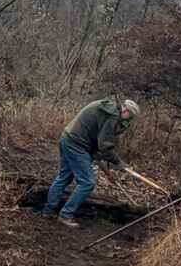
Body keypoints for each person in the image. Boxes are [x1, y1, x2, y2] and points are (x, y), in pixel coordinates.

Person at [42, 96, 138, 228]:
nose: (127, 122)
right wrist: (118, 162)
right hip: (76, 144)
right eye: (129, 118)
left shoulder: (108, 108)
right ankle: (65, 215)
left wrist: (98, 155)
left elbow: (96, 135)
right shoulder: (113, 117)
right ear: (126, 111)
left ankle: (48, 211)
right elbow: (105, 145)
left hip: (67, 138)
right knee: (87, 183)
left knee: (63, 177)